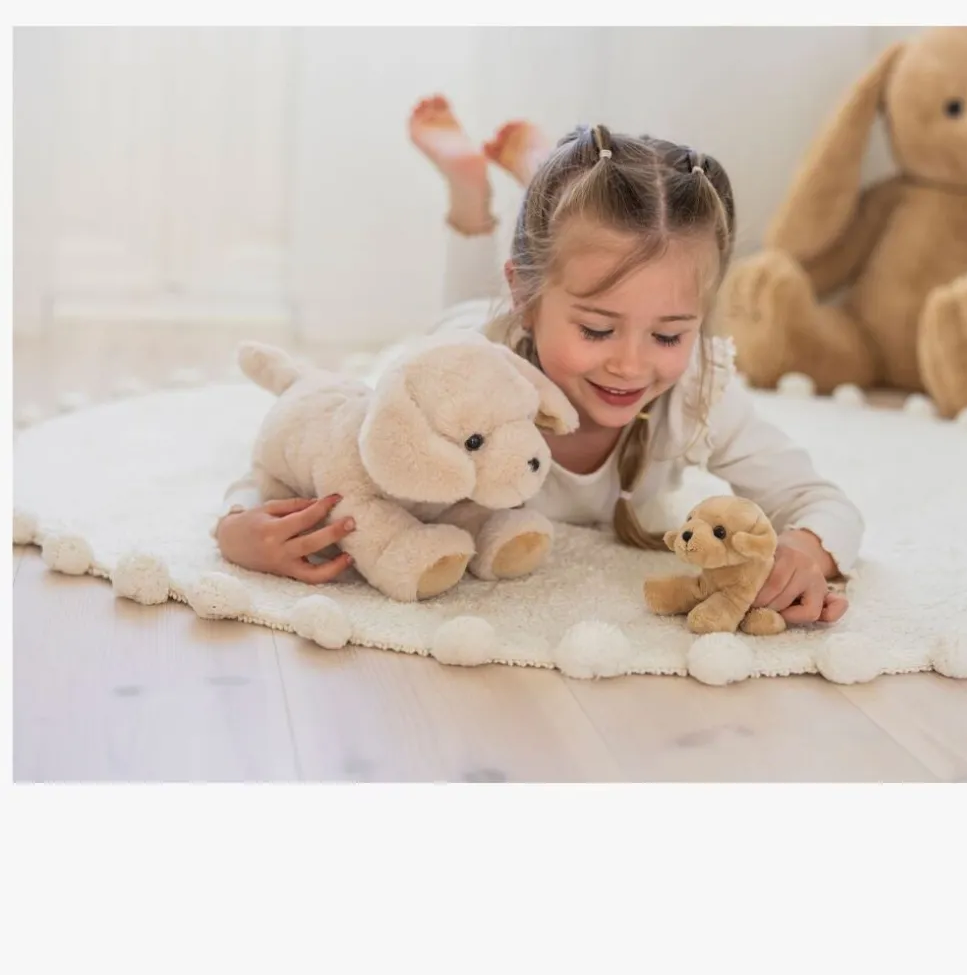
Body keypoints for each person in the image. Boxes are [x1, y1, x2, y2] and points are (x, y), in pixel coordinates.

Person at [215, 98, 862, 623]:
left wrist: (806, 551)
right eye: (599, 328)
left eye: (668, 335)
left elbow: (822, 501)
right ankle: (472, 194)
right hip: (477, 342)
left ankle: (543, 172)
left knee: (544, 272)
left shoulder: (697, 392)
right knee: (461, 312)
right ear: (525, 299)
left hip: (528, 301)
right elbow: (321, 452)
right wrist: (238, 524)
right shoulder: (456, 376)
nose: (631, 365)